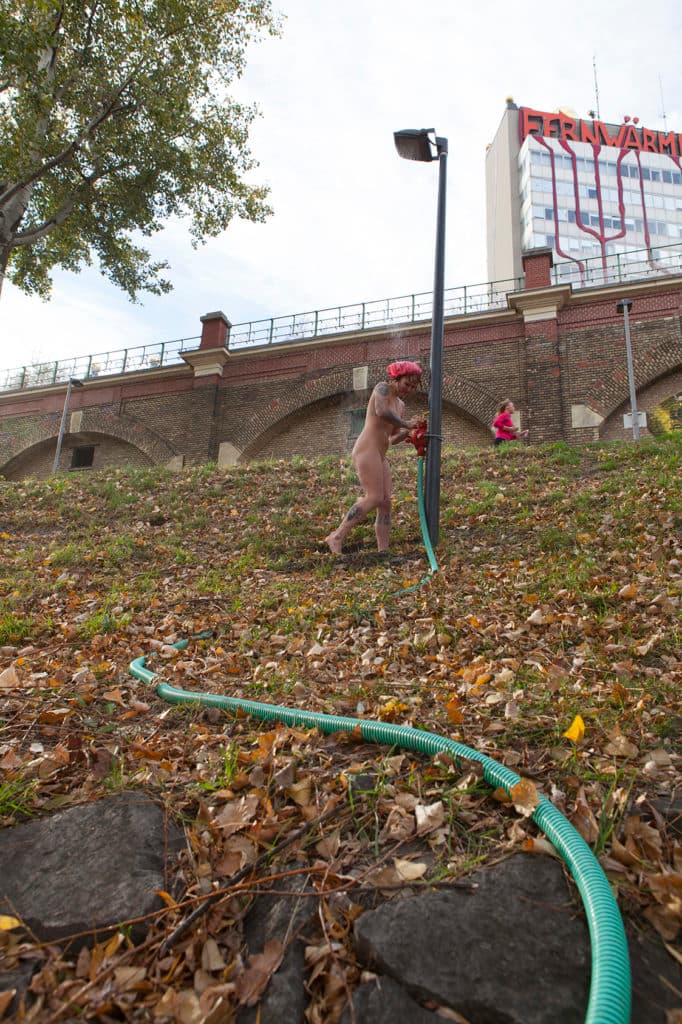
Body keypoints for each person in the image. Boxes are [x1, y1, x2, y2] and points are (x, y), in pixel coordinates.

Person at [325, 361, 424, 554]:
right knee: (375, 497)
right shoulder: (383, 388)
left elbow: (393, 438)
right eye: (407, 384)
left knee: (386, 502)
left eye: (413, 386)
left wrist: (409, 432)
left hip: (381, 453)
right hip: (366, 449)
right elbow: (381, 411)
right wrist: (407, 423)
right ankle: (336, 536)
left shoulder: (401, 404)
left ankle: (383, 551)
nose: (409, 389)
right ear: (396, 379)